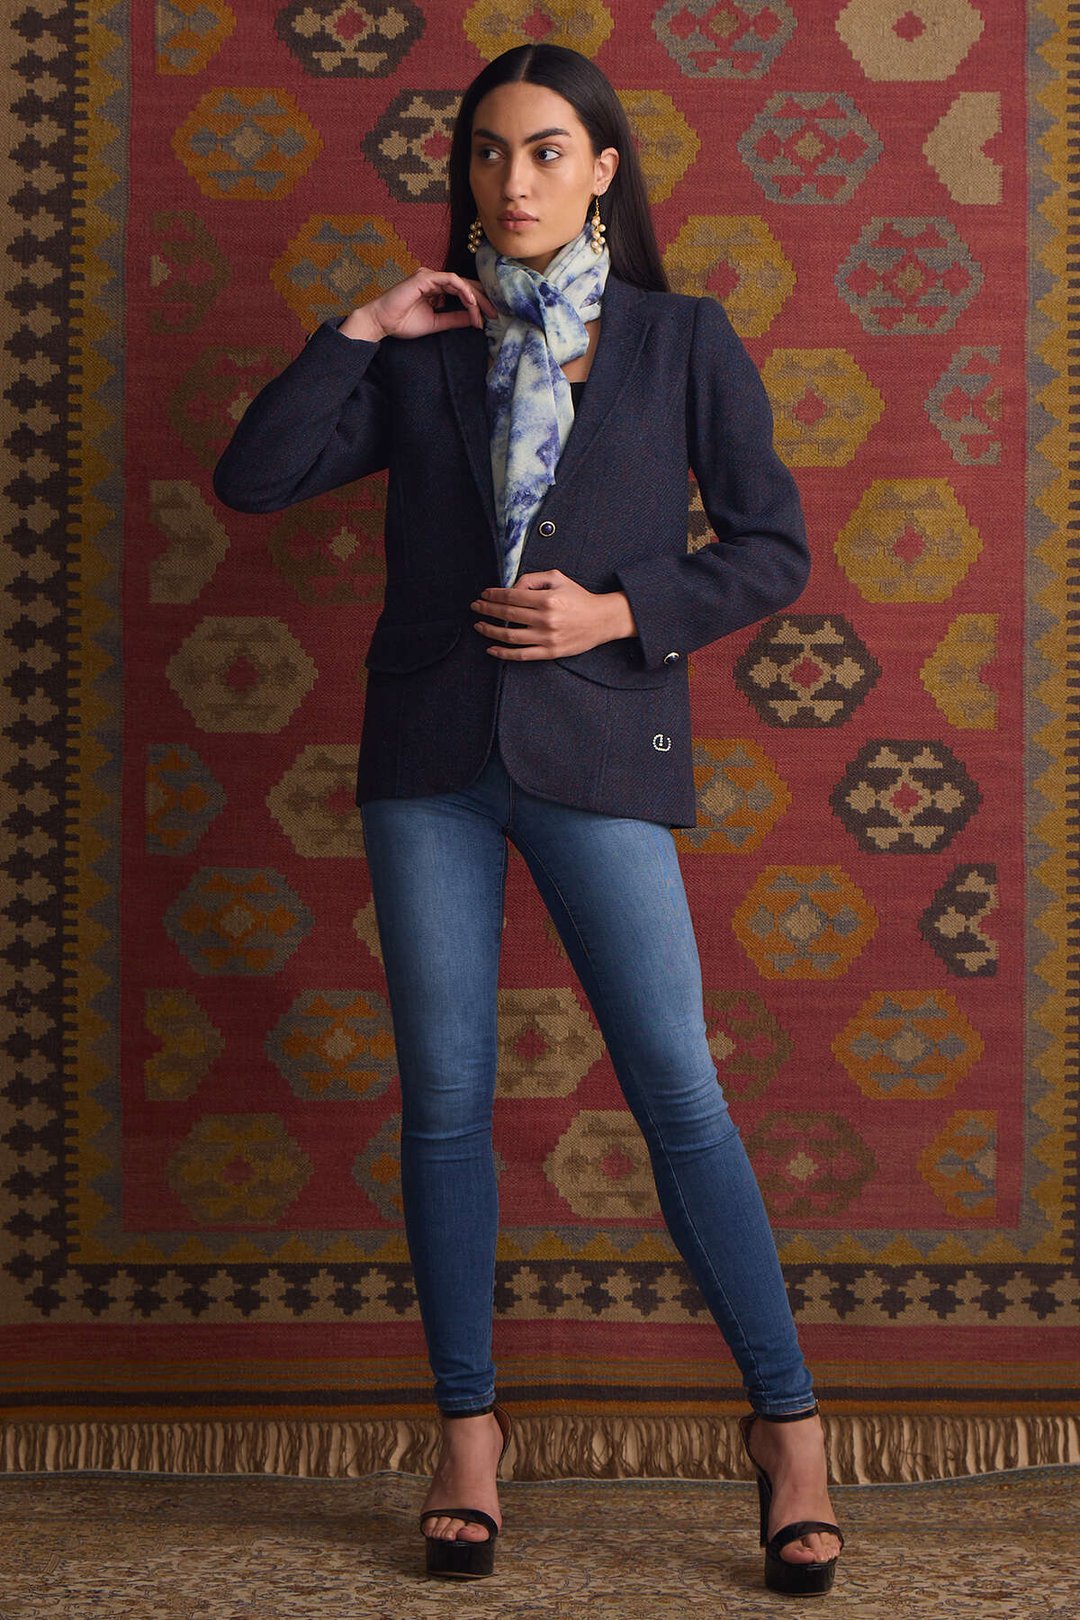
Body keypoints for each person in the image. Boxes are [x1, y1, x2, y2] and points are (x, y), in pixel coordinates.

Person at [213, 43, 844, 1596]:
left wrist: (618, 611)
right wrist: (361, 330)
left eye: (548, 150)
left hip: (604, 750)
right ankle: (468, 1440)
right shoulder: (430, 345)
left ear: (605, 169)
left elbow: (772, 548)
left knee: (679, 1092)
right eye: (488, 153)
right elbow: (254, 476)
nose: (513, 180)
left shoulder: (682, 340)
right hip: (429, 756)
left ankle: (791, 1436)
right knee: (444, 1101)